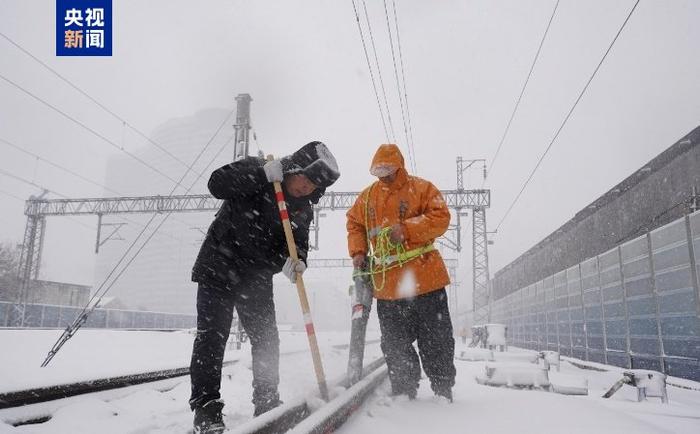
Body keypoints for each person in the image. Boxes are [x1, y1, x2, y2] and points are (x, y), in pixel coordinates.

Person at [190, 141, 339, 434]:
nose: (306, 188)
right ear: (293, 169)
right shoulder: (259, 168)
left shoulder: (302, 209)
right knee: (211, 339)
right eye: (305, 180)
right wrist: (259, 175)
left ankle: (267, 400)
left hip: (255, 277)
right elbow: (216, 184)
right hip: (219, 266)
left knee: (267, 339)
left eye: (313, 186)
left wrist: (297, 261)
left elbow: (298, 246)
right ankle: (206, 408)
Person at [346, 143, 456, 402]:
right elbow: (354, 225)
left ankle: (443, 391)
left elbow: (441, 217)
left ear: (399, 167)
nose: (383, 176)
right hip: (388, 288)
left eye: (388, 170)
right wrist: (358, 252)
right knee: (395, 346)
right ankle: (404, 394)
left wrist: (407, 229)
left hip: (426, 282)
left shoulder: (422, 189)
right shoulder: (367, 198)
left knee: (436, 341)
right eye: (379, 171)